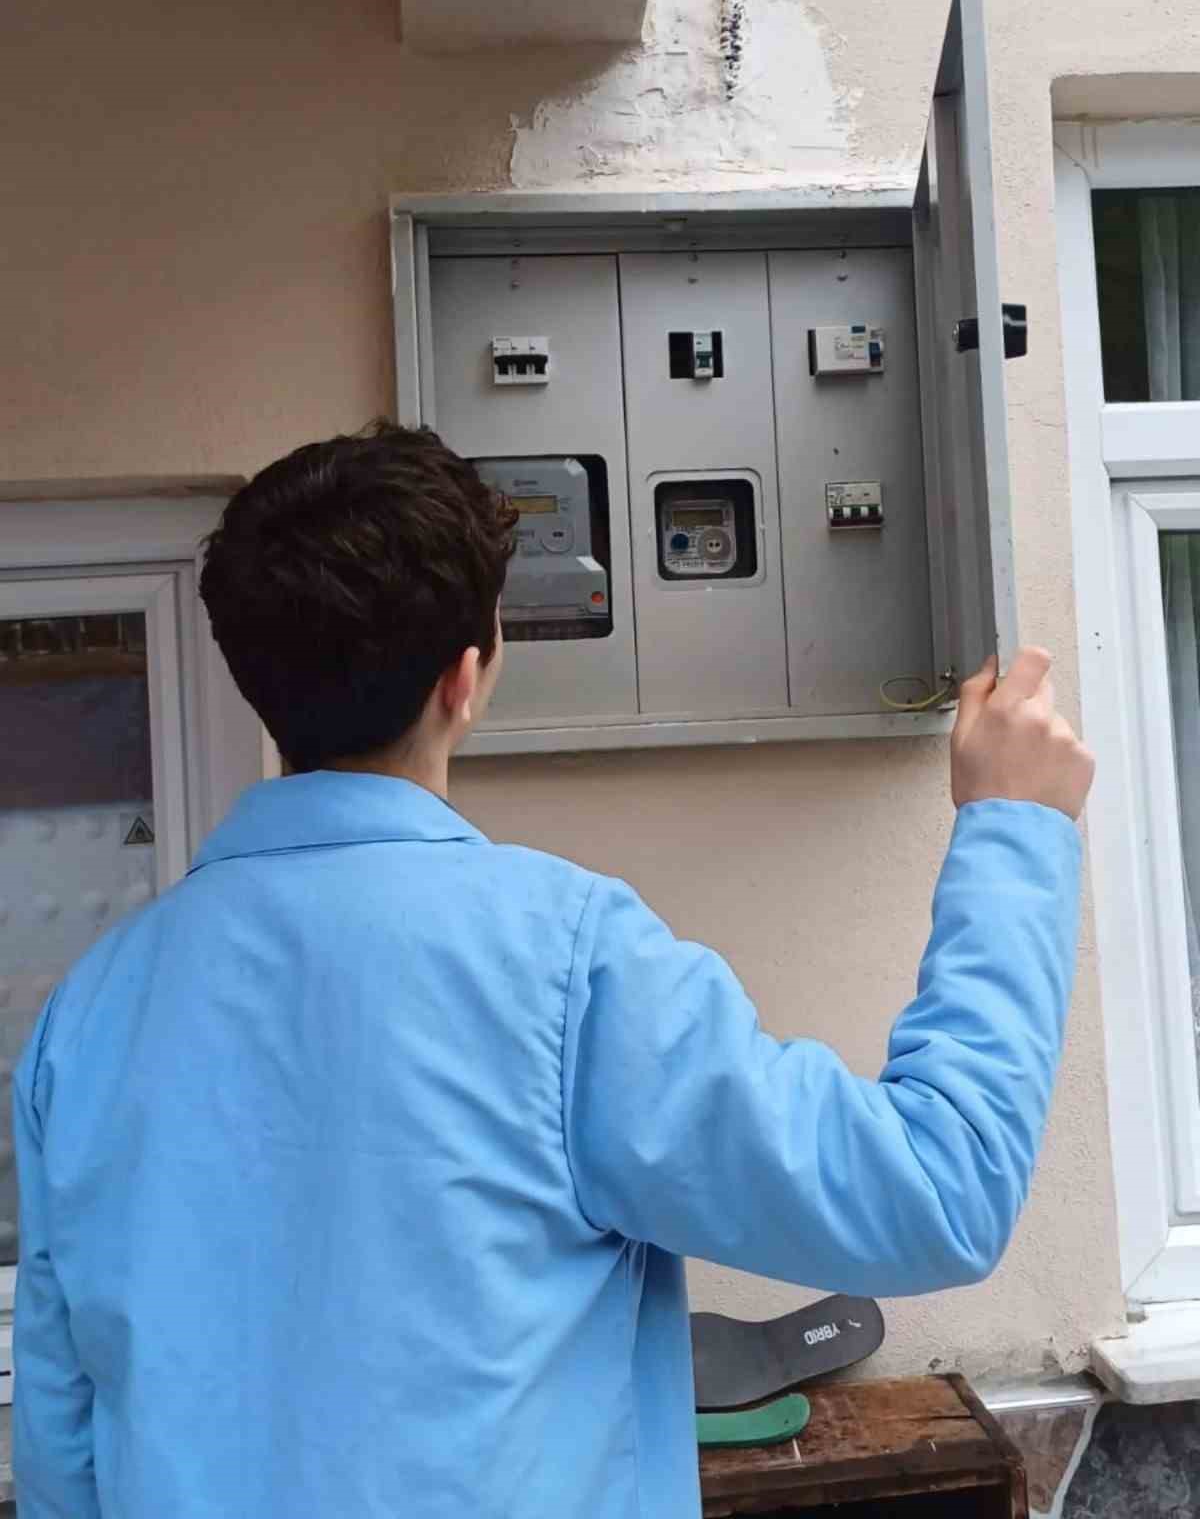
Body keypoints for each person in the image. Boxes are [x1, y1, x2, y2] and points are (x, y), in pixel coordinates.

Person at [13, 422, 1093, 1519]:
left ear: (256, 677)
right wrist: (1015, 825)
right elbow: (939, 1192)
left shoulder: (88, 1015)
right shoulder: (566, 966)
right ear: (467, 675)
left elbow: (64, 1453)